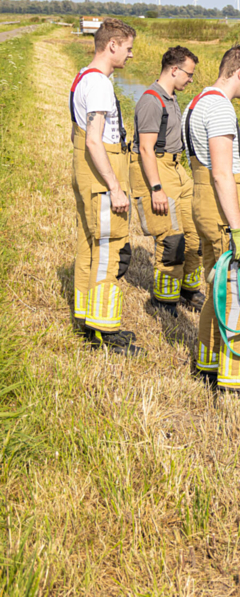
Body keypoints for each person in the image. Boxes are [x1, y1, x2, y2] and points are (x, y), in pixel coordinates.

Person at [186, 45, 240, 390]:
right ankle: (234, 378)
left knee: (216, 284)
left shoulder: (198, 100)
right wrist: (239, 229)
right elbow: (221, 173)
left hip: (204, 204)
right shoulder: (219, 107)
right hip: (224, 210)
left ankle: (207, 362)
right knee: (237, 291)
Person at [70, 18, 141, 354]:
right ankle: (105, 328)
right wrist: (114, 186)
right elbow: (95, 141)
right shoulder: (99, 84)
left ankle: (86, 319)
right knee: (108, 250)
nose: (130, 55)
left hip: (87, 175)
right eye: (128, 48)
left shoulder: (83, 77)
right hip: (101, 177)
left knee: (90, 245)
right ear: (112, 45)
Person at [129, 46, 204, 315]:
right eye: (189, 73)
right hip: (158, 169)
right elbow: (146, 148)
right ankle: (164, 301)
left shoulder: (170, 97)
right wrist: (156, 188)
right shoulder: (151, 100)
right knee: (172, 240)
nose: (191, 79)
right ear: (174, 70)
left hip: (177, 168)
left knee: (195, 236)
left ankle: (189, 291)